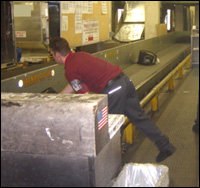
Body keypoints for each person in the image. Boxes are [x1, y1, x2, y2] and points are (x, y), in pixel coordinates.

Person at [49, 37, 176, 162]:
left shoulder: (70, 69)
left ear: (57, 54)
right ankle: (165, 146)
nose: (54, 58)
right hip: (125, 82)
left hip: (113, 89)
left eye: (52, 55)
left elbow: (86, 96)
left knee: (110, 126)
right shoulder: (79, 56)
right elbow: (74, 84)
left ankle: (113, 164)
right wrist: (57, 97)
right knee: (138, 117)